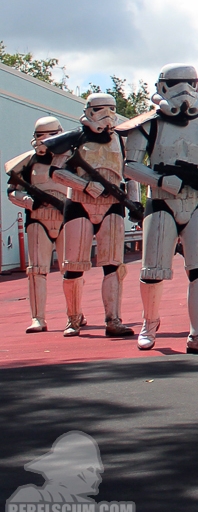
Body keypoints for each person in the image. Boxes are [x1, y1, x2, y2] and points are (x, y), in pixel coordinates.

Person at [120, 64, 198, 353]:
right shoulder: (149, 124)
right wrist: (159, 179)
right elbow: (129, 165)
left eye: (190, 83)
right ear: (162, 88)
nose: (185, 91)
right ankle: (150, 322)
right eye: (177, 84)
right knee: (152, 270)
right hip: (161, 201)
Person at [46, 94, 133, 339]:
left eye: (112, 109)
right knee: (73, 266)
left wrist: (134, 201)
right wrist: (84, 186)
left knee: (113, 266)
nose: (107, 114)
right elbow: (56, 172)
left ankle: (113, 319)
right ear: (89, 110)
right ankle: (73, 319)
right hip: (79, 204)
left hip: (112, 204)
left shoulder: (119, 139)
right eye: (100, 109)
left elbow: (127, 171)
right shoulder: (75, 138)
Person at [6, 116, 68, 333]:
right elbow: (12, 189)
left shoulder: (71, 159)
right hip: (37, 219)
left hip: (66, 218)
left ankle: (75, 314)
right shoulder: (27, 161)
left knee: (71, 268)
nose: (42, 140)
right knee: (36, 270)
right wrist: (27, 200)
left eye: (48, 135)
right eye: (39, 135)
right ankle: (38, 318)